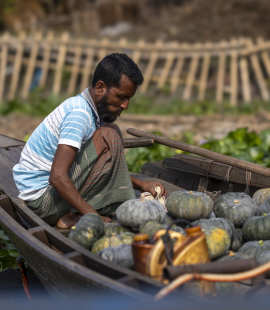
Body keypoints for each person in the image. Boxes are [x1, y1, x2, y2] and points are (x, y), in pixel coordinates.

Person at [13, 52, 165, 228]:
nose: (125, 105)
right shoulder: (80, 115)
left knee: (110, 132)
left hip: (47, 195)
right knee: (108, 136)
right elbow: (57, 177)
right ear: (100, 87)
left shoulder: (89, 111)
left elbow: (96, 167)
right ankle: (72, 214)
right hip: (42, 204)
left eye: (128, 99)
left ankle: (72, 215)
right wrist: (94, 216)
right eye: (121, 97)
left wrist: (141, 184)